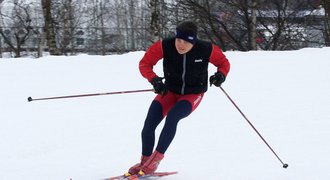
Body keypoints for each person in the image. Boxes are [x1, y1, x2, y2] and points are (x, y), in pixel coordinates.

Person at [126, 21, 230, 176]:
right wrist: (155, 80)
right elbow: (145, 63)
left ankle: (154, 162)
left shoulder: (206, 49)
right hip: (169, 91)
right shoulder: (164, 45)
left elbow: (223, 63)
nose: (181, 45)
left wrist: (221, 75)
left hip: (192, 94)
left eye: (187, 42)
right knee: (149, 125)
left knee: (172, 118)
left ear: (194, 42)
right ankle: (144, 162)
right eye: (179, 40)